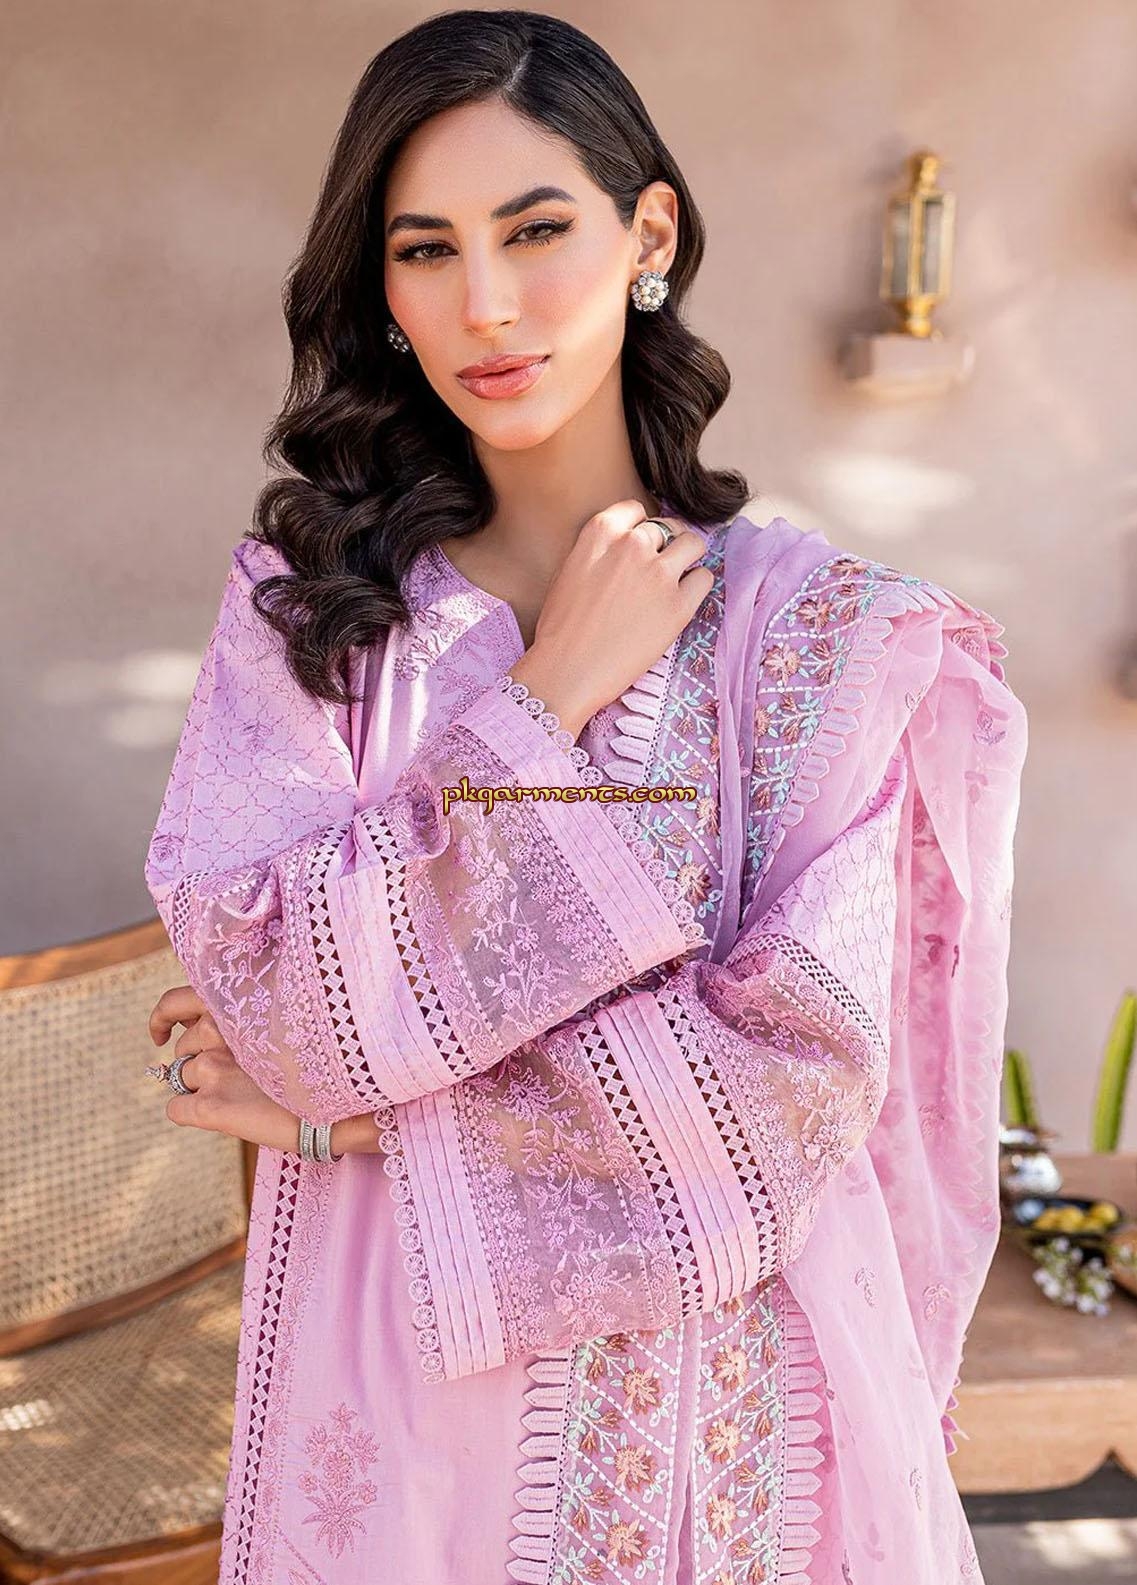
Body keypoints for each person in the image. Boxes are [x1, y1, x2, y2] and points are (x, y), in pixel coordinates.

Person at [143, 11, 1028, 1584]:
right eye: (425, 250)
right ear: (382, 292)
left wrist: (367, 1113)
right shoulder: (310, 618)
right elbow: (269, 989)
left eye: (536, 229)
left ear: (649, 236)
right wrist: (543, 702)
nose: (484, 303)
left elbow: (793, 1092)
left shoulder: (820, 639)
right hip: (404, 1413)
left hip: (734, 1428)